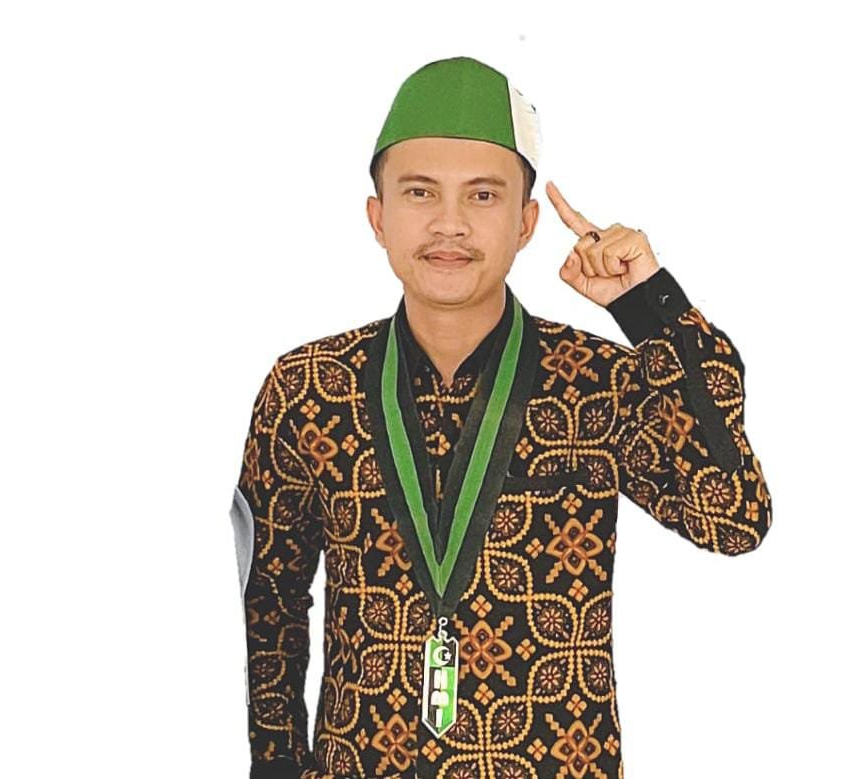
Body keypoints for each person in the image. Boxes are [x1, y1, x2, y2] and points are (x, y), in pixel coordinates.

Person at [228, 55, 772, 779]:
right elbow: (269, 602)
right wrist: (274, 765)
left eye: (482, 195)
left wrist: (651, 310)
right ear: (378, 217)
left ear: (525, 222)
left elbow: (733, 517)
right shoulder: (308, 388)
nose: (449, 223)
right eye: (419, 192)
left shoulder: (600, 384)